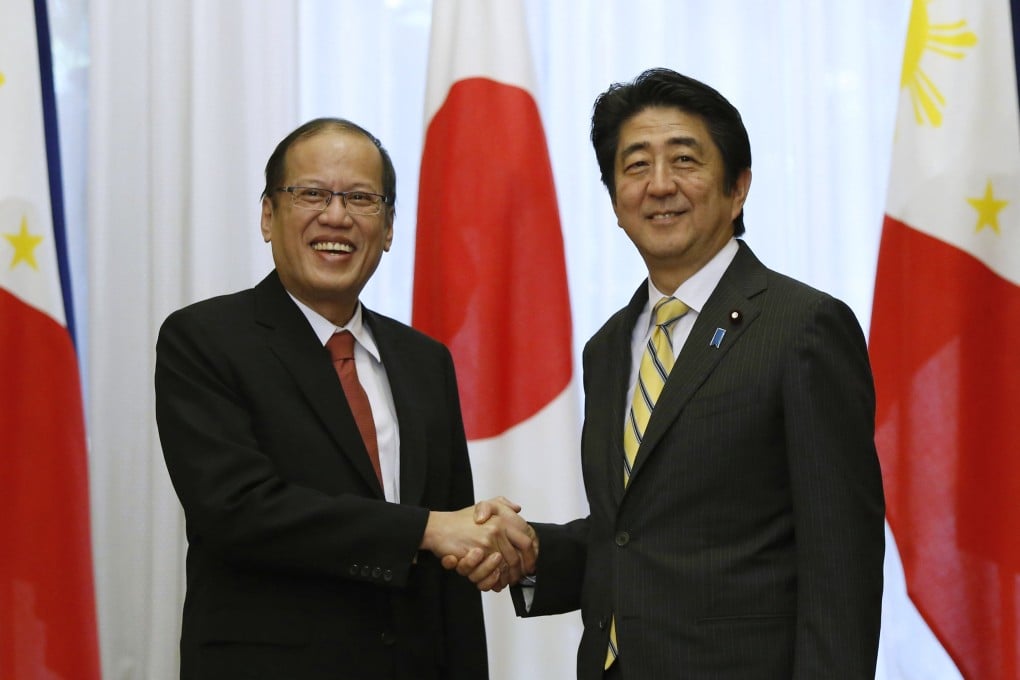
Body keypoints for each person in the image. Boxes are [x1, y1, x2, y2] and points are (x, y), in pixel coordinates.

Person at [454, 68, 885, 679]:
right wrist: (531, 555)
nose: (659, 185)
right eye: (635, 166)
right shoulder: (609, 346)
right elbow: (632, 534)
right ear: (614, 202)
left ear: (738, 188)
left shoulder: (803, 327)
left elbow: (841, 561)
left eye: (684, 160)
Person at [155, 117, 535, 680]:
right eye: (311, 193)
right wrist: (428, 529)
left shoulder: (424, 361)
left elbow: (451, 572)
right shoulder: (205, 339)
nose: (336, 216)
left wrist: (475, 541)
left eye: (361, 198)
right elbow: (237, 510)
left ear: (387, 228)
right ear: (267, 215)